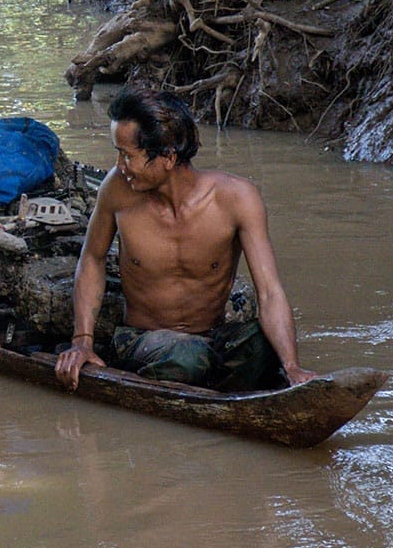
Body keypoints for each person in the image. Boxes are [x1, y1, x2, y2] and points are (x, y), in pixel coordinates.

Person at [55, 87, 318, 393]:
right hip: (144, 339)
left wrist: (291, 366)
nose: (119, 165)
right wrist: (82, 342)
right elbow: (92, 259)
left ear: (167, 156)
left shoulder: (237, 197)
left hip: (213, 336)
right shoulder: (116, 189)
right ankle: (216, 382)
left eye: (127, 155)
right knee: (187, 357)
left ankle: (228, 385)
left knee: (261, 346)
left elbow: (270, 292)